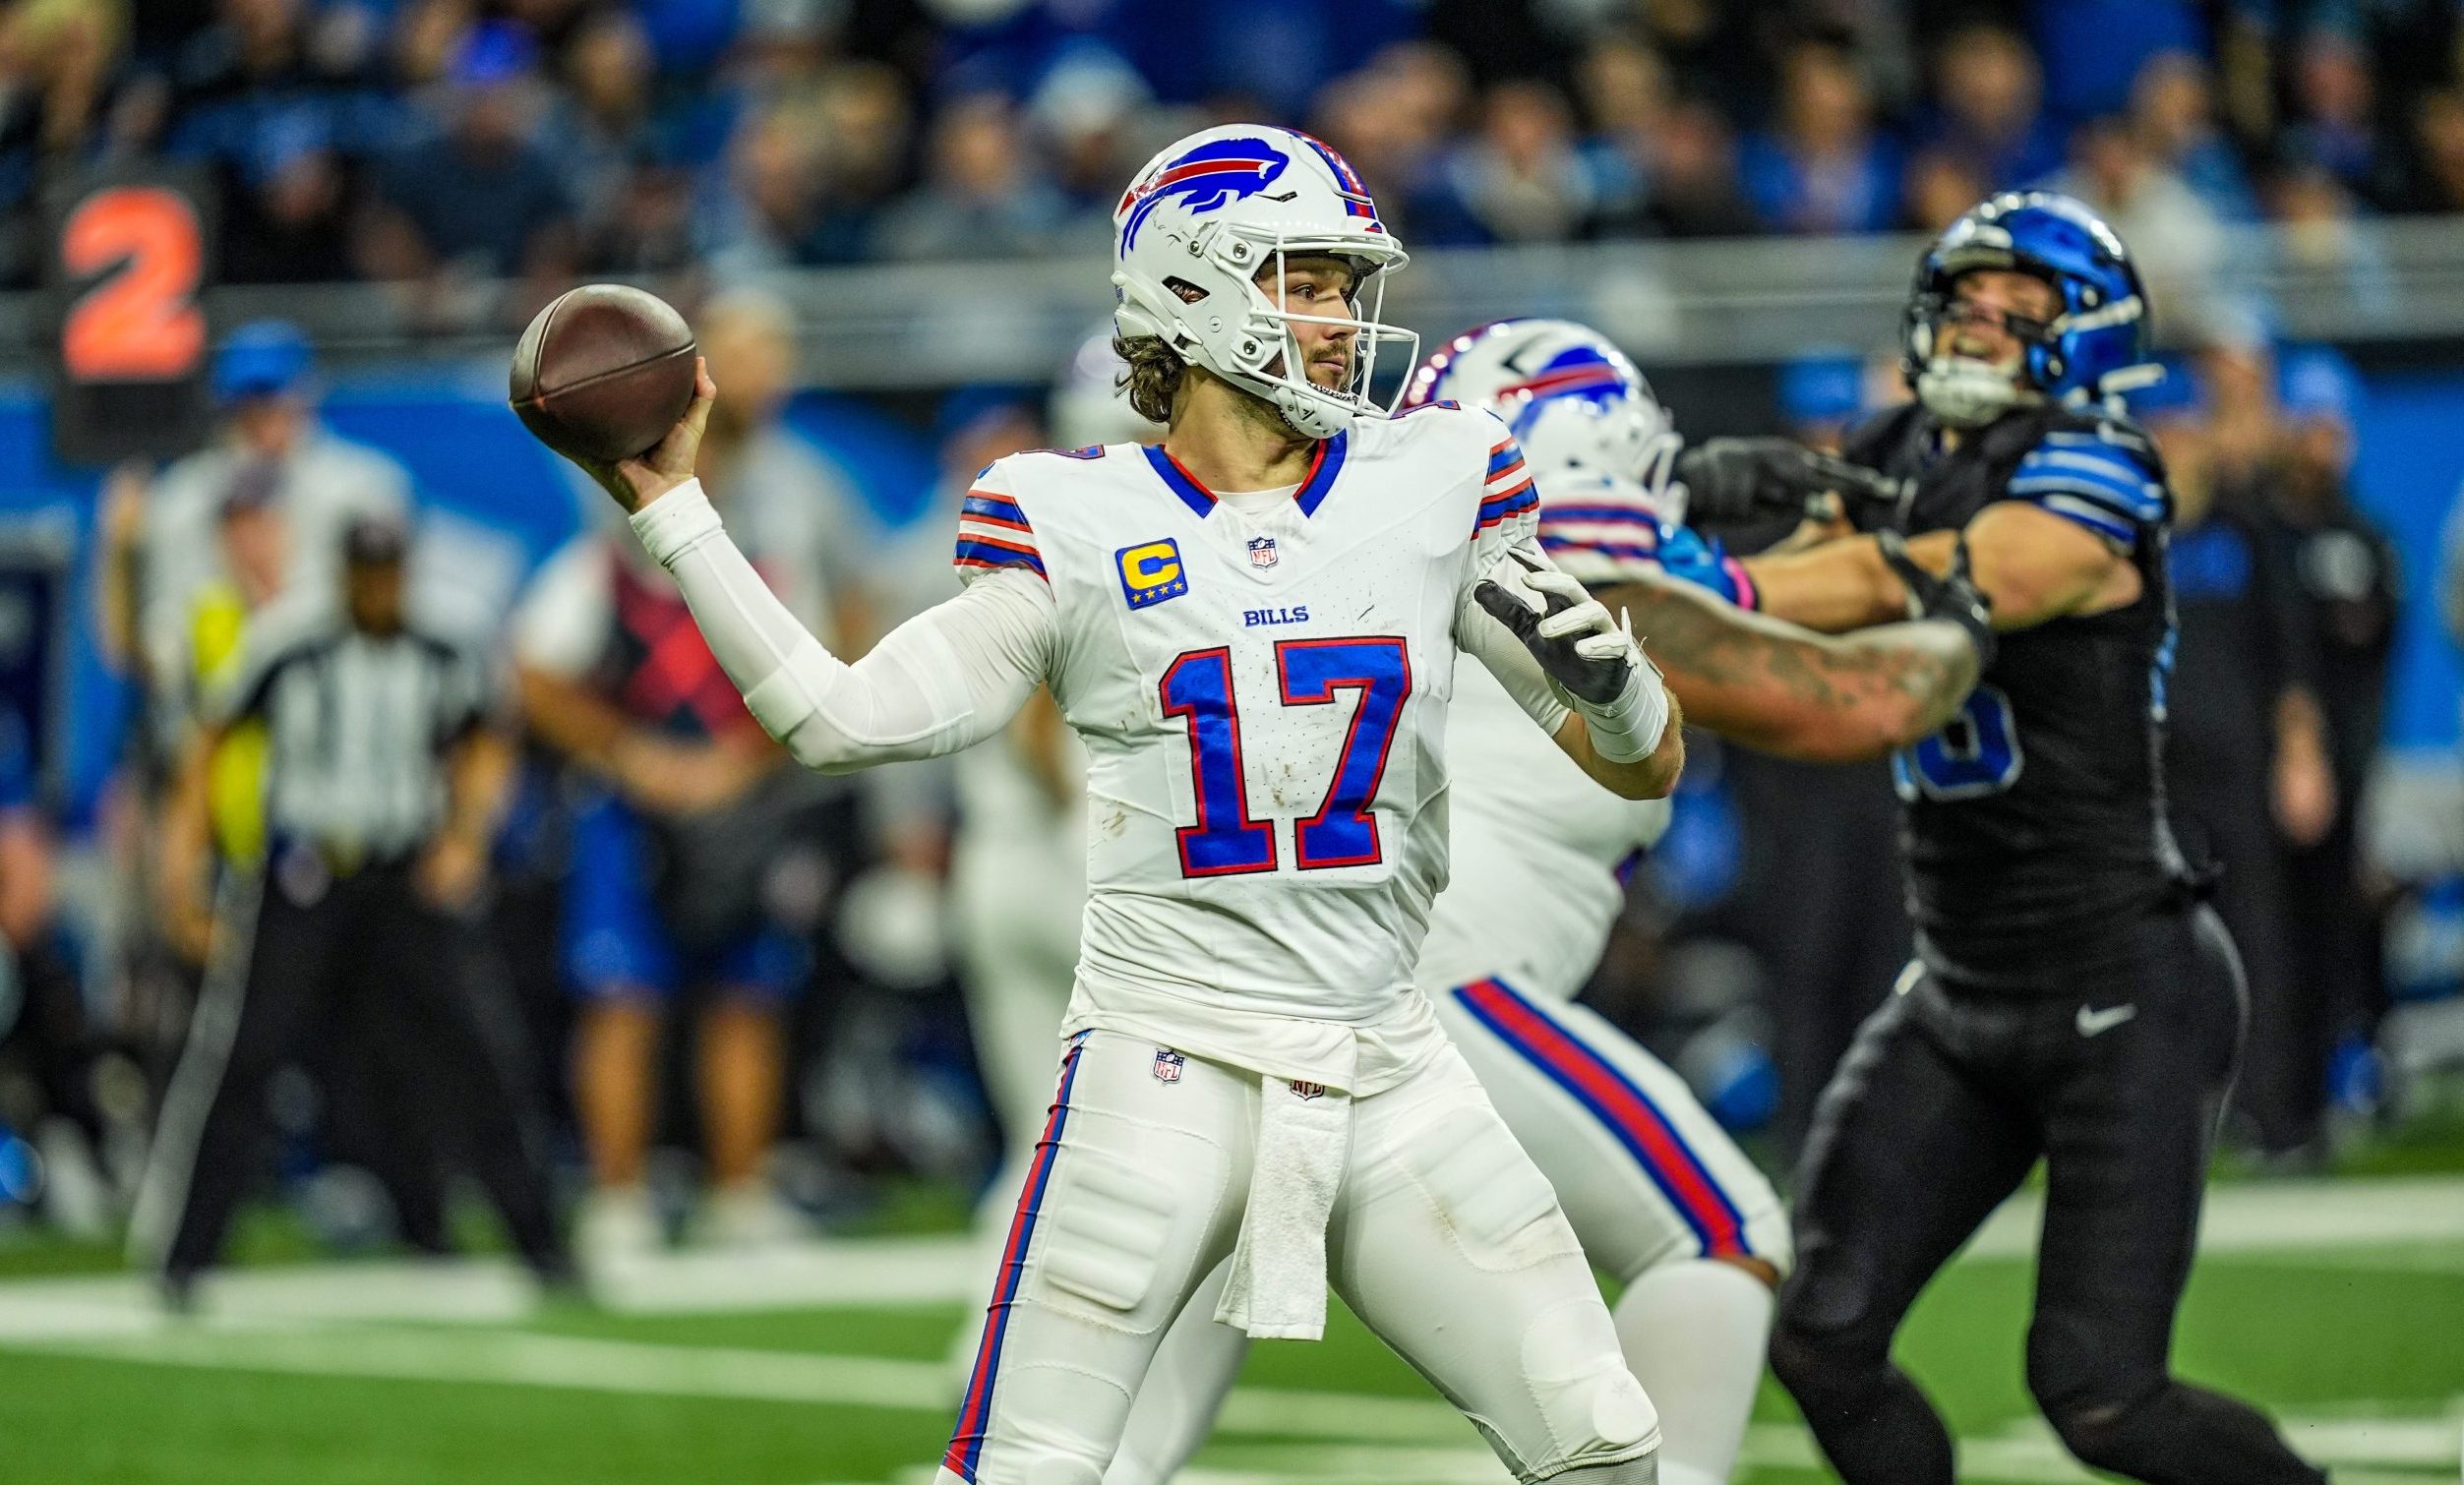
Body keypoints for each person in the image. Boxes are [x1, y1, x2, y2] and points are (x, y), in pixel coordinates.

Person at [565, 124, 1683, 1485]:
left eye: (1343, 284)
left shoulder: (1436, 473)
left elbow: (1641, 762)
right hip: (1164, 1065)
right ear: (1197, 288)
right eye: (1309, 281)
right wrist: (677, 510)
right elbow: (838, 717)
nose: (1342, 320)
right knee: (1030, 1470)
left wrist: (1623, 692)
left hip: (1390, 1059)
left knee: (1608, 1444)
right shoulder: (1070, 512)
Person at [1105, 318, 1992, 1485]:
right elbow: (1848, 700)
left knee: (1123, 1438)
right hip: (1432, 994)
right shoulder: (1580, 599)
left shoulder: (1380, 550)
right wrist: (1965, 620)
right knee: (1718, 1235)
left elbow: (1669, 576)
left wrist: (1696, 497)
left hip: (1253, 1001)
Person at [1741, 191, 2328, 1485]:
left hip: (2121, 979)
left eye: (2022, 312)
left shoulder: (2099, 461)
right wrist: (1638, 555)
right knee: (1823, 1336)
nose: (1984, 327)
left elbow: (1968, 577)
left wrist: (1712, 579)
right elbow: (1788, 630)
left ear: (2087, 341)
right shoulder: (1892, 442)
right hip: (1956, 988)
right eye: (1967, 300)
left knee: (2100, 1395)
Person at [133, 514, 571, 1306]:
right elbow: (209, 746)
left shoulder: (444, 642)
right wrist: (182, 877)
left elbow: (486, 740)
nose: (378, 588)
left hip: (402, 872)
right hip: (307, 873)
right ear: (343, 573)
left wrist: (466, 838)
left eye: (389, 571)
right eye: (366, 572)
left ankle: (535, 1245)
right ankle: (187, 1258)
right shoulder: (288, 640)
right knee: (249, 1060)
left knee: (473, 1053)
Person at [512, 293, 859, 1254]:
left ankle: (738, 1191)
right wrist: (634, 755)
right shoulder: (619, 497)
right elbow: (543, 662)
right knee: (625, 994)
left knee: (749, 993)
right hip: (640, 789)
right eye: (744, 356)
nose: (763, 376)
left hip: (752, 784)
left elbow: (838, 638)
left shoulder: (805, 497)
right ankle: (619, 1194)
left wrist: (746, 761)